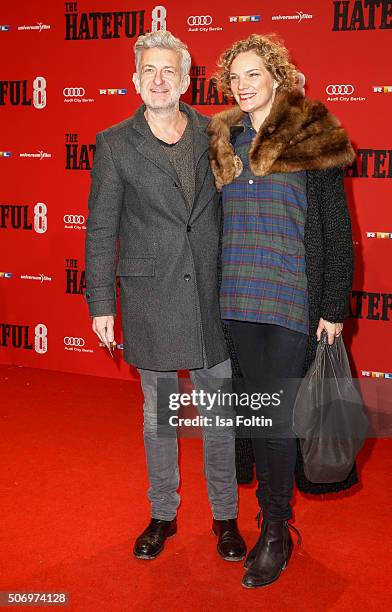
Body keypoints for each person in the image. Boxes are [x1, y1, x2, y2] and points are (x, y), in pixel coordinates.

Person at [85, 30, 246, 562]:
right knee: (159, 418)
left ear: (184, 78)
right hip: (150, 296)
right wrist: (101, 302)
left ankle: (225, 518)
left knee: (220, 418)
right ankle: (163, 514)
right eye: (149, 71)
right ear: (135, 80)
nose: (158, 80)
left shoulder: (214, 131)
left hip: (210, 295)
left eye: (168, 71)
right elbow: (101, 229)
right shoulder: (113, 143)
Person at [208, 33, 355, 588]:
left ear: (276, 76)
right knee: (257, 415)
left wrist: (333, 304)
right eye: (234, 78)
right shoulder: (222, 138)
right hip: (237, 298)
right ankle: (271, 519)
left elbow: (336, 228)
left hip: (291, 298)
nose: (242, 86)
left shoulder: (310, 132)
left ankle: (275, 529)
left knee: (276, 420)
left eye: (253, 74)